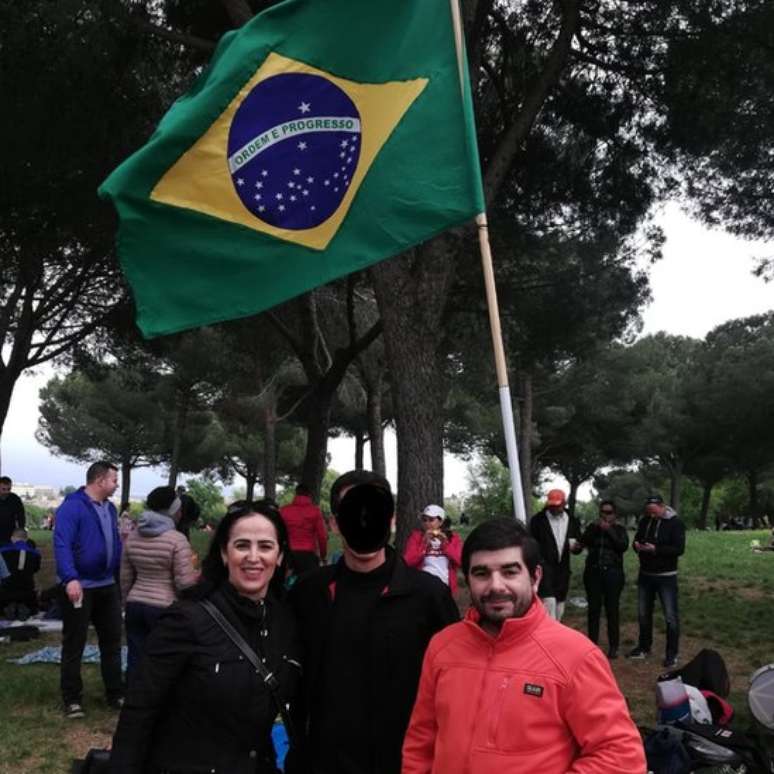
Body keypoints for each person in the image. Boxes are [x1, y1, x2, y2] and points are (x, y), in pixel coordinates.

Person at [402, 518, 646, 774]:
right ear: (468, 578)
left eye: (510, 572)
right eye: (482, 573)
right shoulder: (443, 646)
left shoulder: (576, 656)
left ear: (535, 577)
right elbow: (421, 741)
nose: (496, 585)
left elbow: (621, 757)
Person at [110, 499, 301, 773]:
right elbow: (140, 709)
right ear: (225, 553)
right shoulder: (185, 620)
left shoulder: (283, 621)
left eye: (266, 546)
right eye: (242, 545)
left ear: (280, 556)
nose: (253, 557)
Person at [288, 471, 459, 774]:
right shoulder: (307, 592)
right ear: (334, 522)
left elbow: (454, 685)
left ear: (391, 519)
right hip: (324, 759)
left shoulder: (429, 596)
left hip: (402, 761)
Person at [53, 461, 123, 718]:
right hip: (80, 586)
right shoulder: (72, 508)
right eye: (114, 480)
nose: (117, 485)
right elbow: (62, 544)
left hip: (107, 586)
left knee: (113, 641)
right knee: (75, 644)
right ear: (100, 480)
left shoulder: (110, 508)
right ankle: (72, 698)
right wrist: (70, 578)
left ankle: (115, 693)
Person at [120, 486, 198, 678]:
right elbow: (184, 583)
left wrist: (126, 601)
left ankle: (133, 696)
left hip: (135, 604)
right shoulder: (177, 540)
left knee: (136, 656)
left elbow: (125, 576)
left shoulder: (133, 536)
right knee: (163, 658)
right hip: (164, 607)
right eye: (179, 509)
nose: (181, 513)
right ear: (173, 512)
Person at [627, 494, 686, 668]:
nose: (651, 515)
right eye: (648, 512)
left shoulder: (675, 523)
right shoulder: (646, 521)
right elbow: (637, 538)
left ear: (662, 507)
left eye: (653, 511)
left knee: (670, 617)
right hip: (645, 574)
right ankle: (644, 647)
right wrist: (637, 546)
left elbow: (679, 549)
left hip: (666, 576)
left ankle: (672, 653)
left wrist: (656, 549)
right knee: (643, 614)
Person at [580, 499, 629, 659]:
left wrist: (609, 531)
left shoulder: (620, 529)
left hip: (613, 573)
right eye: (603, 512)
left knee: (612, 610)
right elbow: (584, 541)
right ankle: (592, 644)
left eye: (609, 512)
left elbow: (622, 546)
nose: (605, 515)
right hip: (593, 572)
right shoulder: (592, 527)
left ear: (615, 515)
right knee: (593, 609)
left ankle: (613, 646)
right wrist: (595, 529)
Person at [529, 489, 582, 620]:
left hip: (563, 568)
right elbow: (530, 543)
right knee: (549, 601)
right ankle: (549, 632)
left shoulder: (572, 520)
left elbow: (578, 543)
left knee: (560, 601)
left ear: (564, 503)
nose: (553, 508)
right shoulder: (538, 520)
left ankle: (556, 629)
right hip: (544, 566)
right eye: (551, 505)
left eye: (557, 505)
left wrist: (577, 547)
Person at [403, 504, 463, 592]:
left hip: (445, 585)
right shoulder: (416, 536)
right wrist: (424, 544)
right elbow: (408, 562)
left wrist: (445, 545)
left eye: (431, 520)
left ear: (441, 522)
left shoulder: (453, 538)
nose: (427, 523)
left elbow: (460, 561)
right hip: (422, 585)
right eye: (424, 520)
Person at [280, 482, 328, 575]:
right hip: (308, 554)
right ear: (309, 495)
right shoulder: (315, 511)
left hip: (289, 554)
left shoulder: (284, 510)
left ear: (296, 493)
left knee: (286, 585)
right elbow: (322, 536)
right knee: (309, 585)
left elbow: (279, 533)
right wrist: (323, 555)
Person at [0, 528, 42, 619]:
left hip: (6, 591)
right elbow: (35, 569)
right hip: (27, 591)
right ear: (26, 539)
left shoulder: (2, 551)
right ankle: (23, 606)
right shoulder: (36, 554)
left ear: (12, 538)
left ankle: (10, 606)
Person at [0, 476, 26, 545]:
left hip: (10, 533)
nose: (6, 492)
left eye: (8, 489)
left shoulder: (15, 499)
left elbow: (21, 516)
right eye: (3, 489)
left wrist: (20, 531)